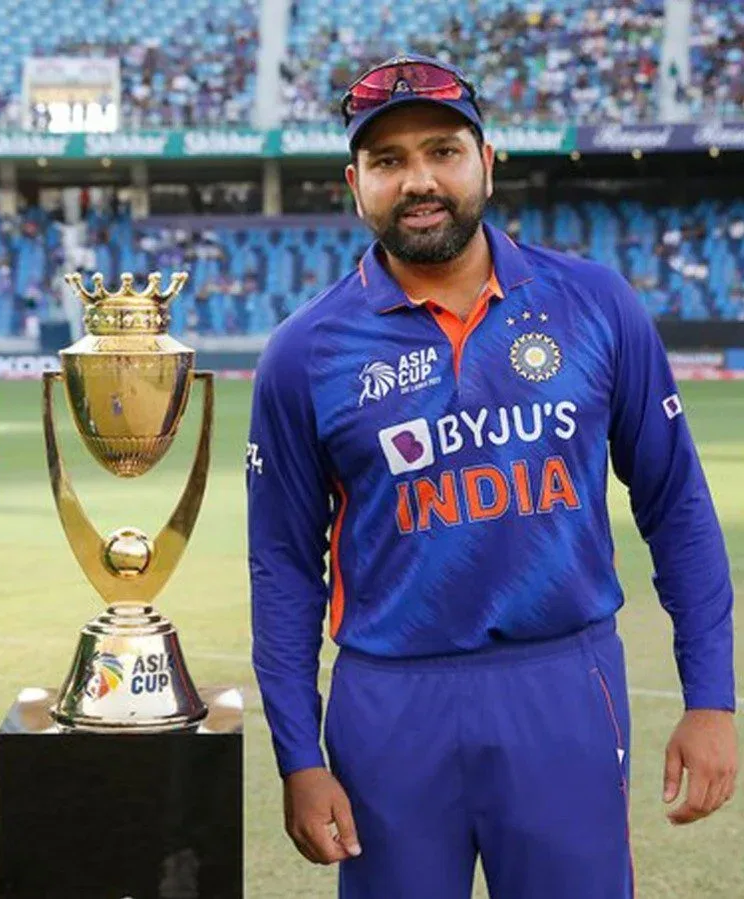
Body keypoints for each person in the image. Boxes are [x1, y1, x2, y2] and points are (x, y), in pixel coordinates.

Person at [245, 54, 737, 899]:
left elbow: (677, 507)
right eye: (389, 160)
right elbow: (284, 564)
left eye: (443, 151)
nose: (419, 180)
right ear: (355, 185)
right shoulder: (304, 352)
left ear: (487, 162)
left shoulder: (595, 304)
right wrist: (299, 753)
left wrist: (712, 697)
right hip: (388, 702)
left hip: (562, 686)